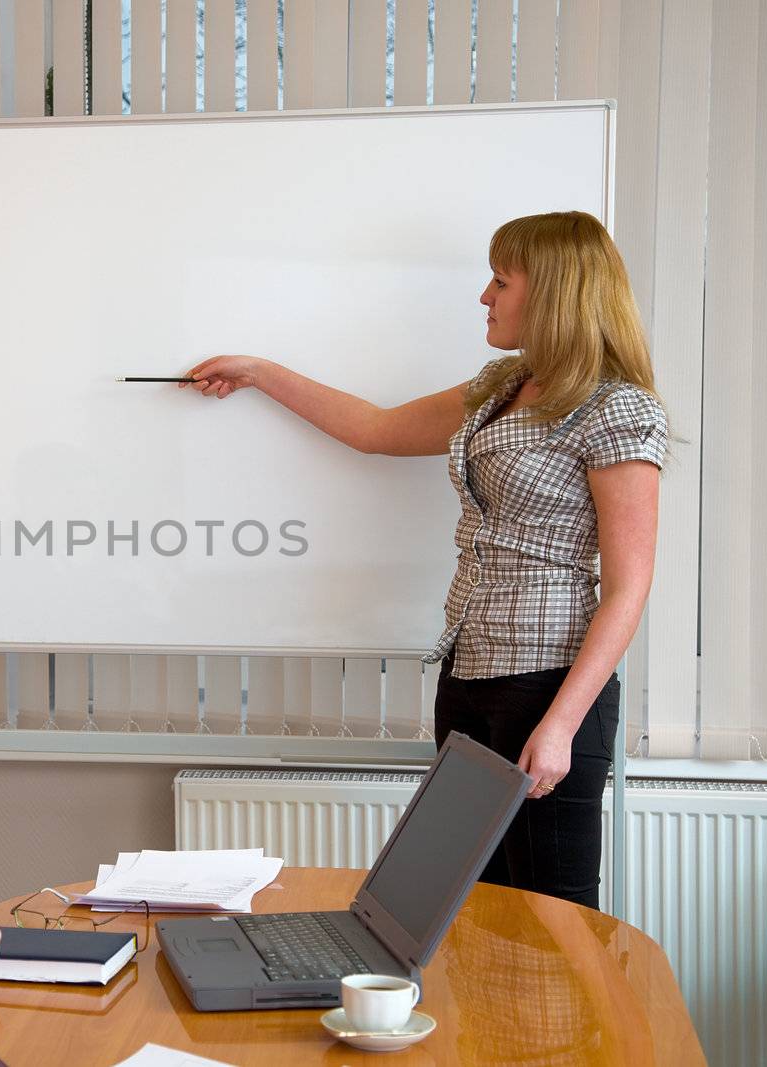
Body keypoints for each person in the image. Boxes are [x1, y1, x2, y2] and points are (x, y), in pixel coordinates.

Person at [186, 211, 666, 909]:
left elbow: (629, 585)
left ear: (555, 292)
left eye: (501, 281)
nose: (484, 296)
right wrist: (259, 372)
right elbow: (376, 429)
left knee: (554, 917)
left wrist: (560, 726)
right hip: (468, 676)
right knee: (477, 906)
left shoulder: (616, 409)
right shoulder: (502, 387)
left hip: (548, 689)